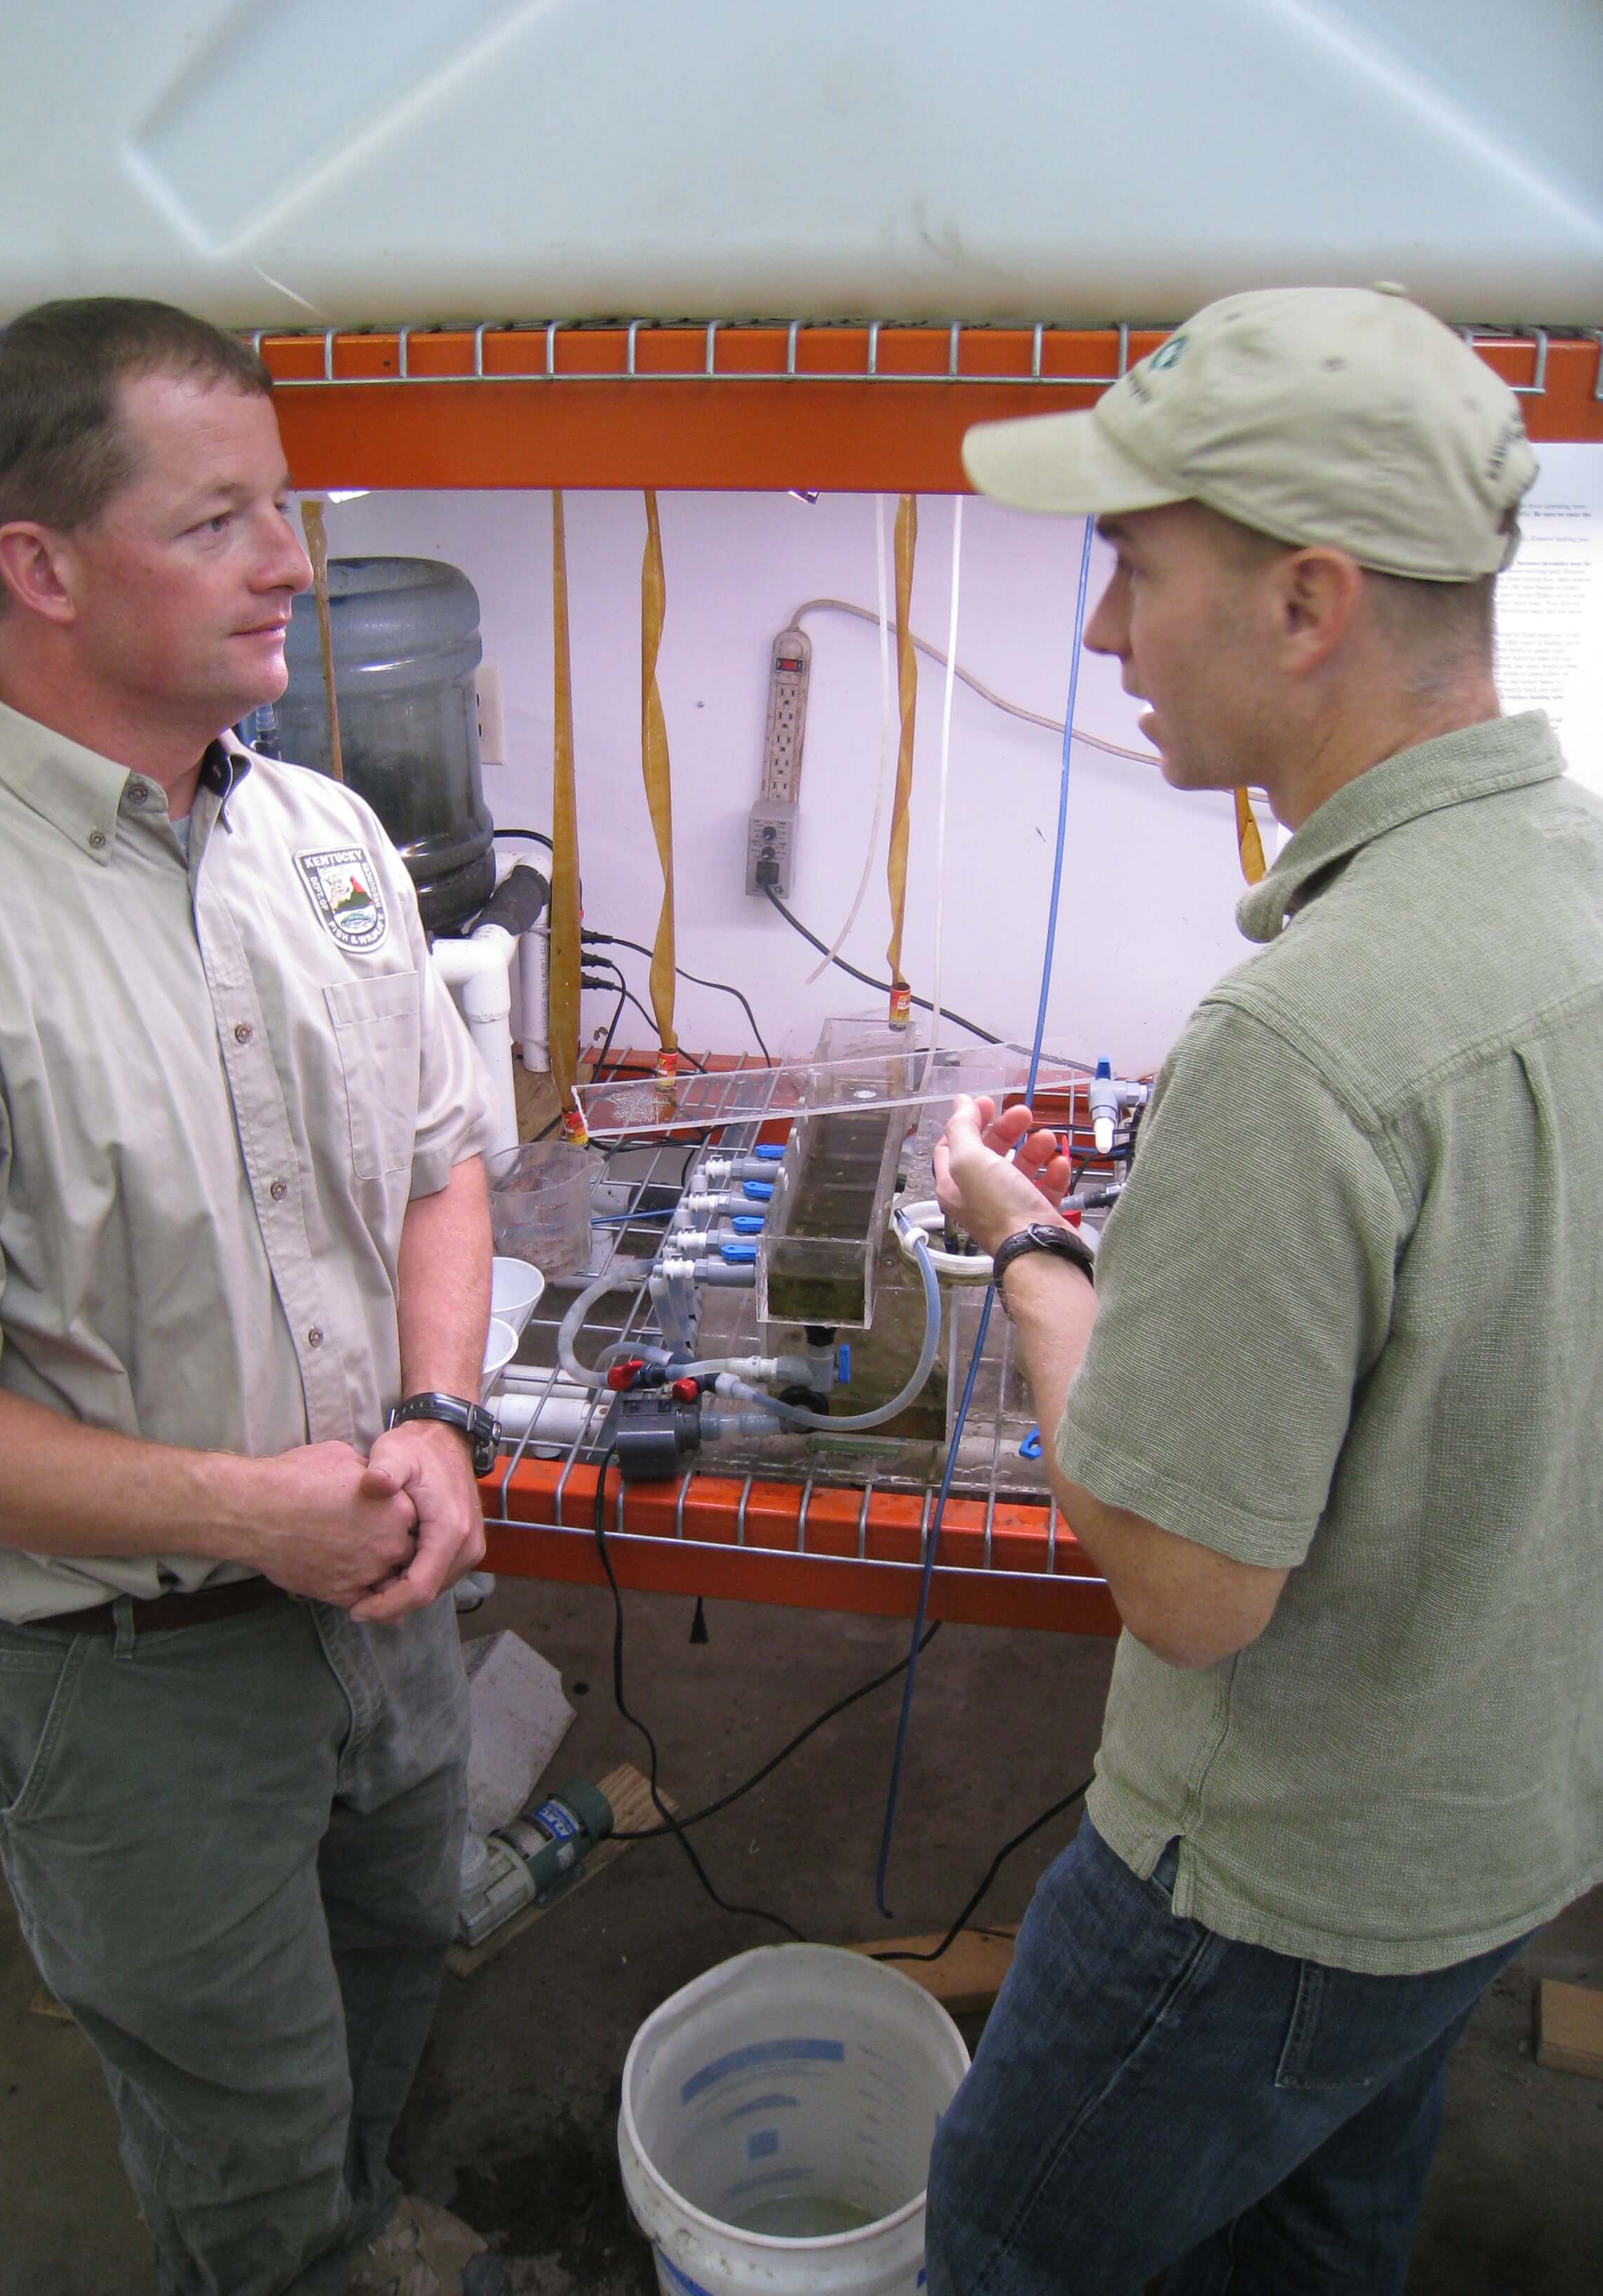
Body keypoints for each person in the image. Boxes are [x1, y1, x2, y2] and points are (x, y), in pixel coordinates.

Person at [926, 286, 1603, 2293]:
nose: (1101, 635)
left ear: (1308, 603)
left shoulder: (1302, 1044)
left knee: (1012, 2233)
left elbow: (1190, 1587)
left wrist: (1032, 1250)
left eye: (1136, 571)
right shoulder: (1574, 886)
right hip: (1497, 1832)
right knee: (1313, 2234)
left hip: (1267, 1889)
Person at [0, 298, 499, 2296]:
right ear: (40, 570)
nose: (295, 563)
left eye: (287, 509)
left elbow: (439, 1164)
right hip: (131, 1692)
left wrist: (439, 1420)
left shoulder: (322, 840)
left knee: (403, 1956)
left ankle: (354, 2220)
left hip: (388, 1594)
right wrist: (257, 1518)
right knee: (233, 2116)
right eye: (222, 520)